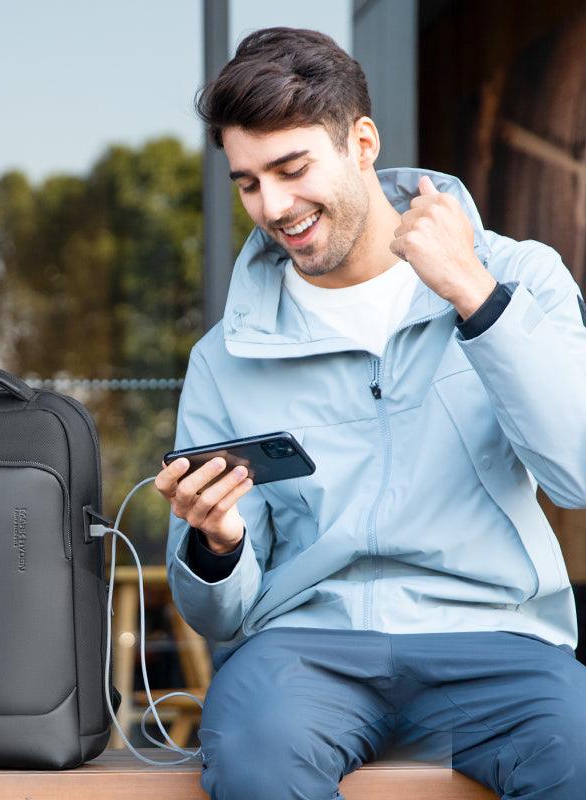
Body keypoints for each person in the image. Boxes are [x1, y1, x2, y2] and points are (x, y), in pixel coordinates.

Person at [154, 26, 586, 800]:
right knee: (255, 757)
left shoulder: (518, 276)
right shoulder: (225, 356)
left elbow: (578, 473)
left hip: (494, 638)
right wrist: (217, 545)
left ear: (361, 143)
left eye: (292, 170)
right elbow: (218, 614)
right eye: (249, 183)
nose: (274, 207)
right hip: (305, 651)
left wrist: (473, 295)